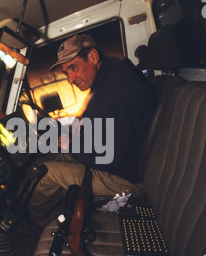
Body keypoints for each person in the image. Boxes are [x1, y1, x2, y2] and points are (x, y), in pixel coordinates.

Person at [28, 33, 156, 225]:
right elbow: (101, 118)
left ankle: (32, 220)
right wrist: (78, 132)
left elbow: (108, 158)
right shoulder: (114, 70)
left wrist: (73, 144)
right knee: (61, 154)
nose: (70, 78)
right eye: (67, 72)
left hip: (125, 179)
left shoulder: (113, 94)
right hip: (126, 160)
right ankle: (59, 198)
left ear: (93, 57)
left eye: (74, 67)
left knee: (48, 172)